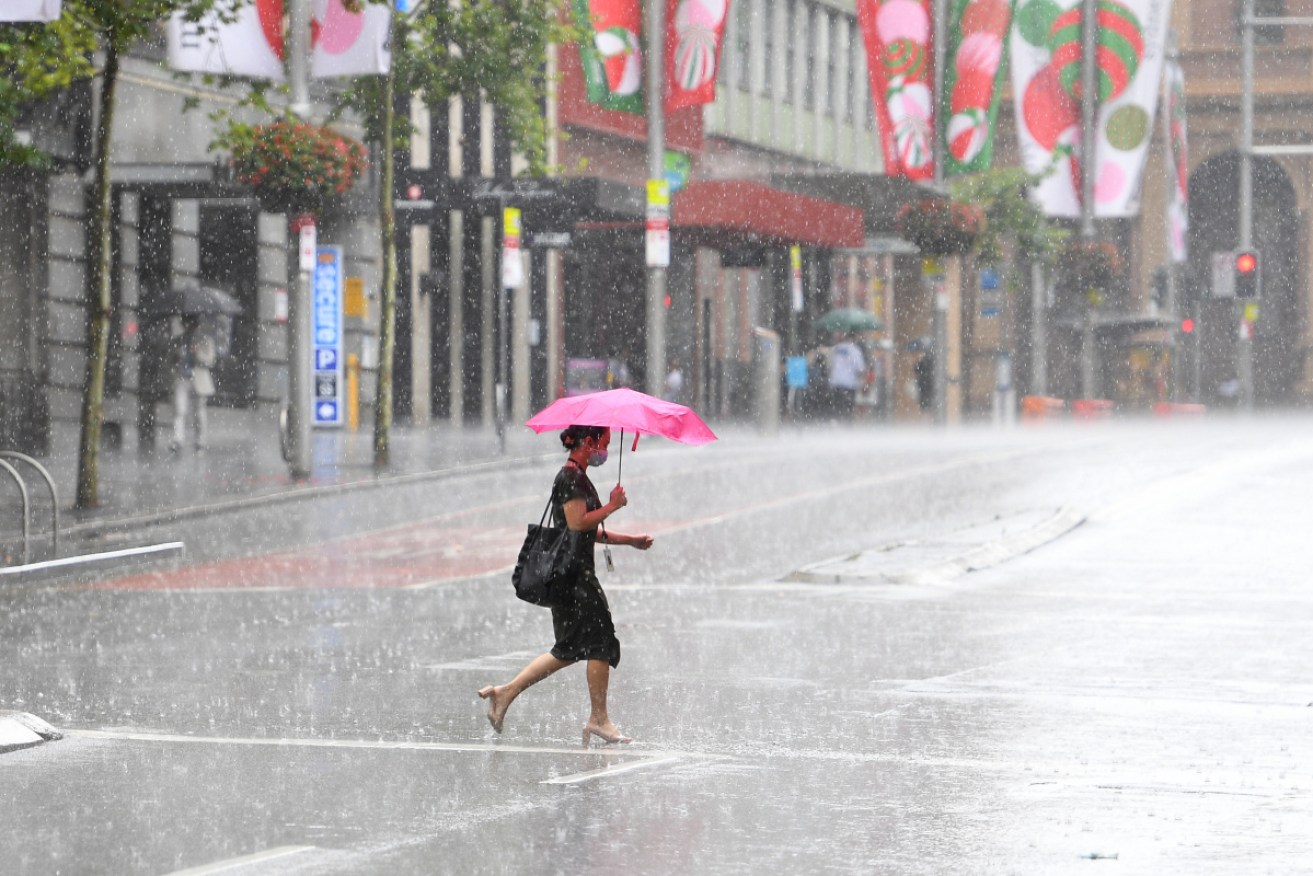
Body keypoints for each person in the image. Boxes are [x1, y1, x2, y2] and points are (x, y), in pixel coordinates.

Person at [479, 425, 654, 745]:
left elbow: (588, 531)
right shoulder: (570, 478)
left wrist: (630, 540)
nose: (605, 451)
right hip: (575, 578)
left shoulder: (577, 476)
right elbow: (577, 524)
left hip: (572, 574)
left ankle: (504, 694)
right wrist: (613, 506)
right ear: (588, 443)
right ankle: (599, 718)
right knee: (600, 642)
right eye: (604, 444)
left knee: (569, 649)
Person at [171, 315, 218, 452]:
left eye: (191, 324)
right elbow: (171, 359)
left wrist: (197, 354)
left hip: (199, 379)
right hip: (182, 378)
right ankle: (177, 440)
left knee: (199, 412)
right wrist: (176, 358)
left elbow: (210, 361)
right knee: (179, 410)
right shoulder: (178, 341)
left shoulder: (205, 341)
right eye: (185, 324)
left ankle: (200, 441)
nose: (188, 328)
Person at [827, 332, 866, 421]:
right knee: (847, 410)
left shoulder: (836, 349)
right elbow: (860, 368)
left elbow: (830, 365)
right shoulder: (855, 350)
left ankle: (837, 426)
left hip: (836, 383)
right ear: (854, 339)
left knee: (837, 409)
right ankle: (846, 429)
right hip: (849, 384)